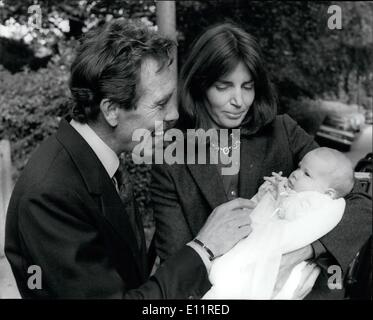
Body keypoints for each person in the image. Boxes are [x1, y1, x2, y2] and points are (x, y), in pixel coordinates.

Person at [4, 19, 253, 299]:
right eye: (159, 104)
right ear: (111, 110)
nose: (171, 115)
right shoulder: (51, 194)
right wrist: (203, 248)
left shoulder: (97, 159)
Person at [151, 23, 372, 299]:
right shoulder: (172, 154)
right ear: (200, 85)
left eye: (248, 86)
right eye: (224, 87)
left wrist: (300, 253)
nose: (240, 101)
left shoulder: (283, 132)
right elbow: (178, 260)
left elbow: (361, 201)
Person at [203, 147, 354, 299]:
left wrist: (282, 194)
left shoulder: (320, 203)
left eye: (306, 174)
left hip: (287, 260)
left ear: (328, 193)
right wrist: (268, 192)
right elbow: (260, 209)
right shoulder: (300, 194)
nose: (295, 174)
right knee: (232, 273)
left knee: (258, 284)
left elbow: (293, 213)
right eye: (299, 167)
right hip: (261, 245)